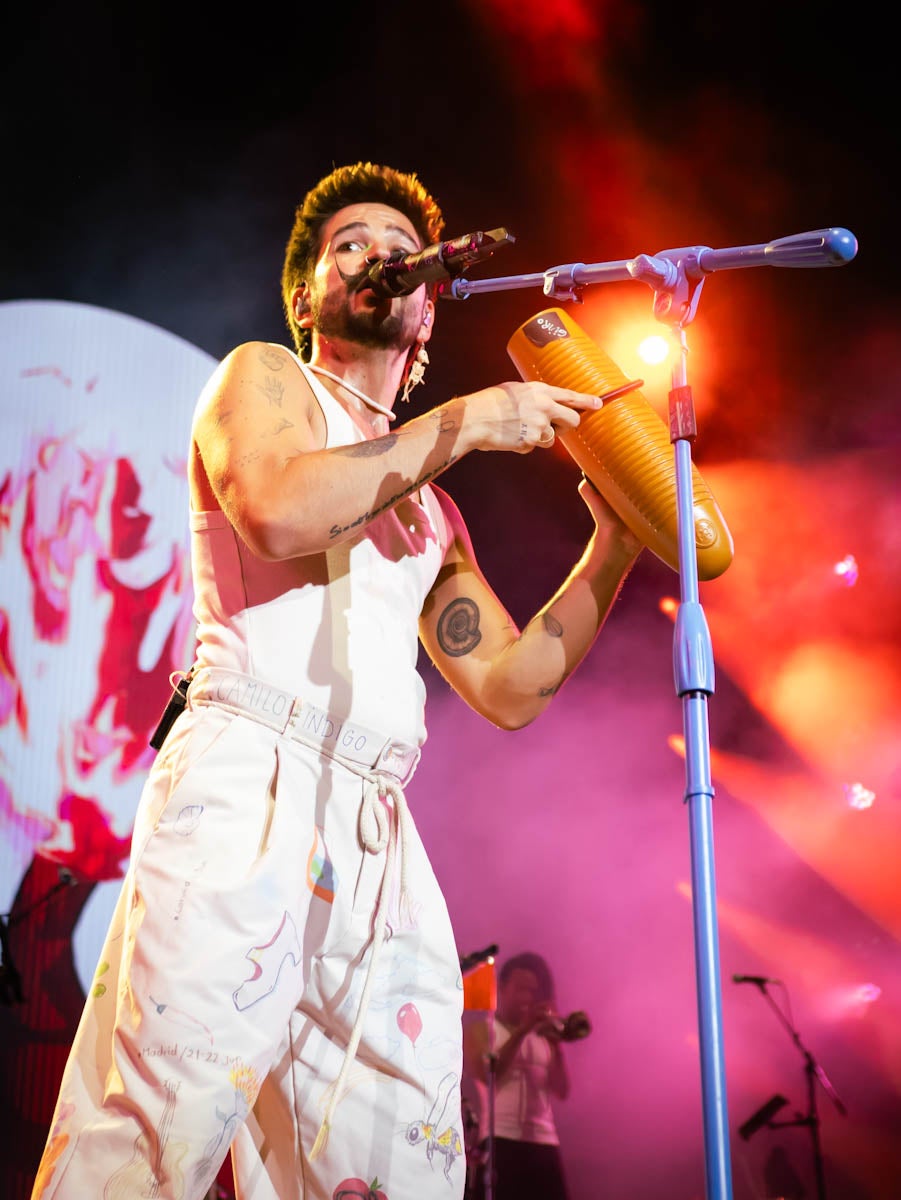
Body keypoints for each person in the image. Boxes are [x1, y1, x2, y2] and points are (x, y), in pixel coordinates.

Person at [31, 161, 642, 1200]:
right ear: (309, 295)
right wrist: (465, 424)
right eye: (343, 245)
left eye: (388, 243)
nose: (370, 254)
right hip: (246, 781)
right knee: (149, 1133)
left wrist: (615, 543)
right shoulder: (266, 381)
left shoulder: (430, 510)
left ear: (427, 315)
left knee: (396, 1157)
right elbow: (275, 508)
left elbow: (507, 684)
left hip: (374, 830)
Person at [462, 952, 581, 1200]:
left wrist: (556, 1043)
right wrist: (524, 1029)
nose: (527, 998)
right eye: (520, 990)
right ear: (502, 988)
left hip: (545, 1141)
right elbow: (489, 1076)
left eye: (532, 991)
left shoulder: (543, 1035)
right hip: (500, 1140)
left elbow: (562, 1090)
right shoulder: (481, 1030)